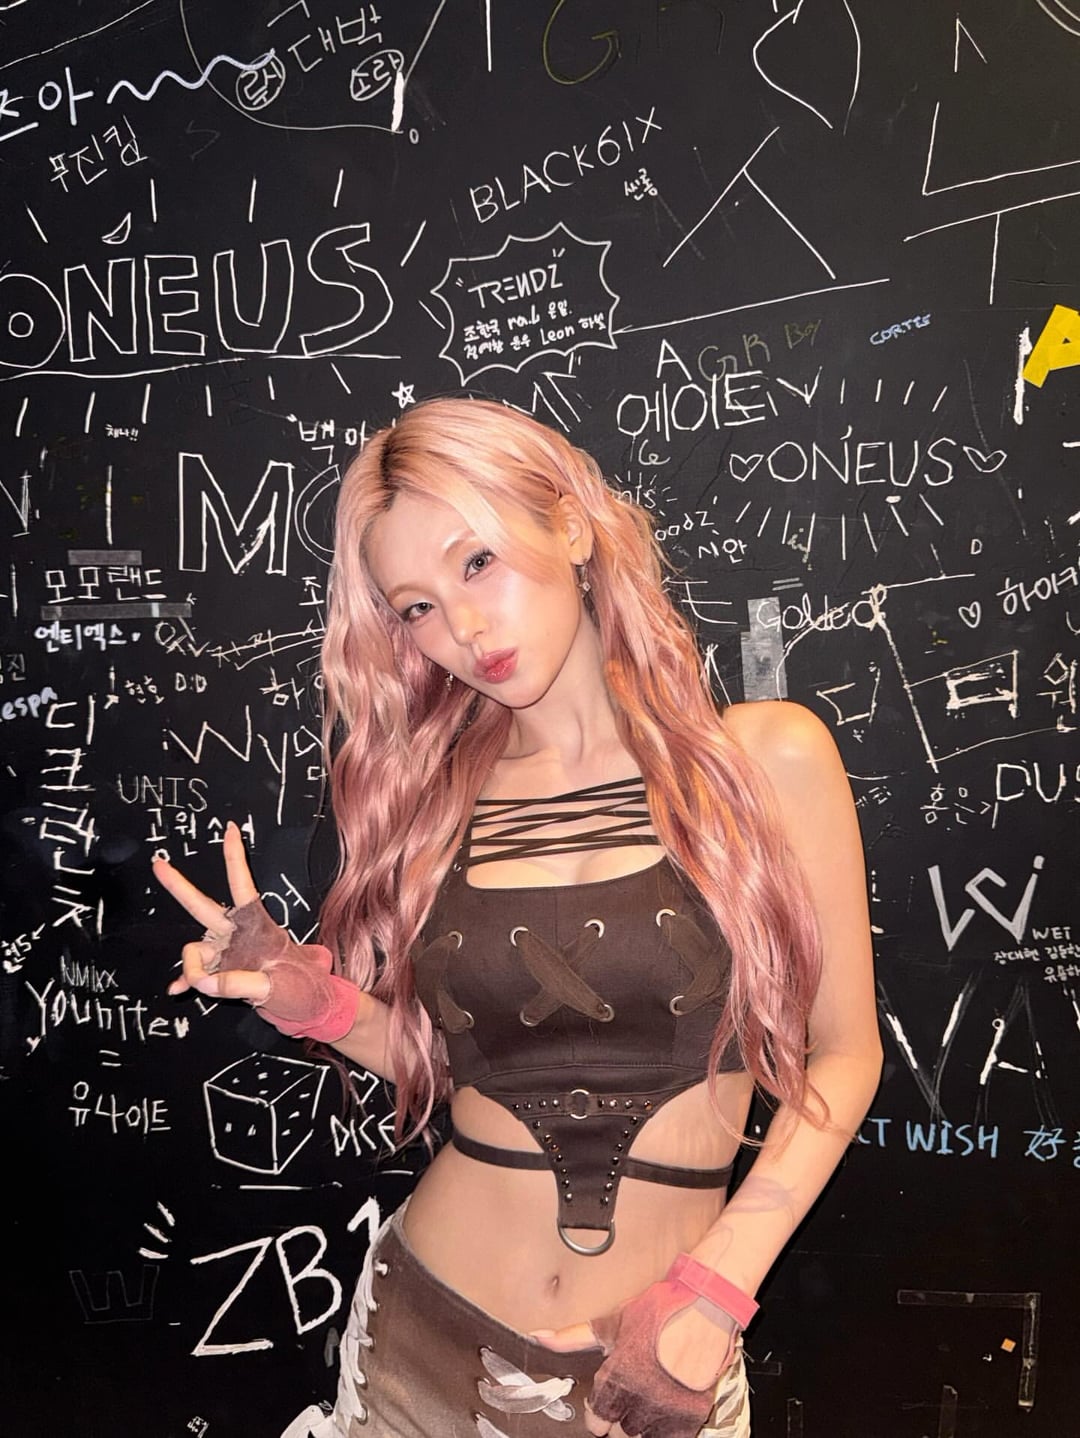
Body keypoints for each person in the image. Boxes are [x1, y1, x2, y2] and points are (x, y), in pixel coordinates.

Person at [152, 398, 882, 1438]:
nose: (462, 628)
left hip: (657, 1362)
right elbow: (455, 1074)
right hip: (420, 1348)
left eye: (477, 561)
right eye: (417, 606)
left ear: (570, 527)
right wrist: (315, 1003)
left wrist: (716, 1292)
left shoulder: (764, 761)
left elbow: (846, 1054)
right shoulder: (438, 802)